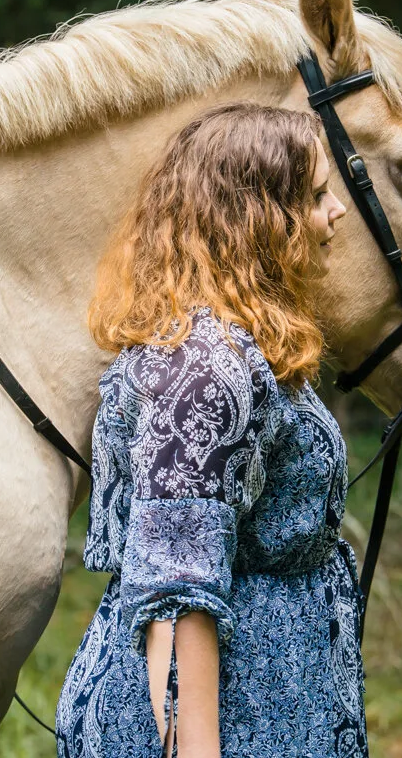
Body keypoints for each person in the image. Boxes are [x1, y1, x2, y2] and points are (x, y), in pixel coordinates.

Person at [56, 102, 360, 758]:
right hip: (216, 719)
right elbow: (174, 593)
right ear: (258, 217)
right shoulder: (203, 364)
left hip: (272, 703)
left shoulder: (244, 348)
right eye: (315, 195)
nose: (337, 211)